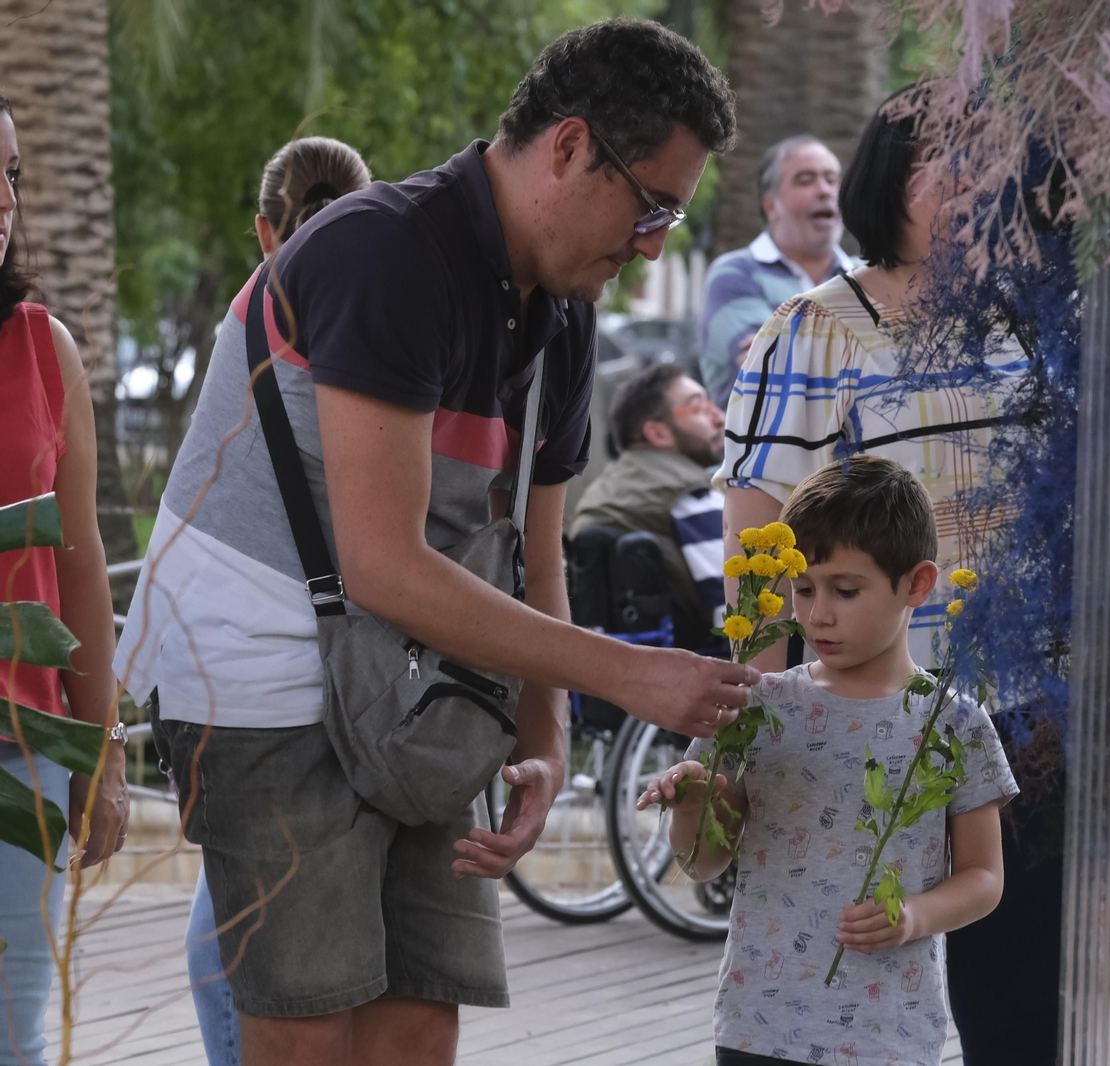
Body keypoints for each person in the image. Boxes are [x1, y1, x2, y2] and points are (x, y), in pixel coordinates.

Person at [111, 21, 756, 1065]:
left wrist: (546, 739)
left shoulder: (566, 308)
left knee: (420, 1018)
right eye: (652, 208)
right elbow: (385, 563)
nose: (653, 245)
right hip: (259, 667)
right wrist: (631, 675)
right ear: (569, 146)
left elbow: (536, 559)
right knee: (311, 1023)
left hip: (410, 673)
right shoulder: (386, 251)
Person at [716, 87, 1058, 1063]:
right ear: (881, 179)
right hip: (878, 725)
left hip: (1036, 719)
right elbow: (758, 557)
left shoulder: (1035, 322)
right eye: (938, 160)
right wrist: (750, 735)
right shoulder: (813, 330)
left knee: (1027, 1011)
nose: (968, 182)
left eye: (989, 160)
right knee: (863, 998)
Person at [637, 455, 1018, 1066]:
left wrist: (915, 915)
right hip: (758, 1024)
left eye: (845, 590)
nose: (817, 614)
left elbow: (984, 879)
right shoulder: (755, 708)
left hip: (887, 1033)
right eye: (803, 588)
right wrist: (693, 804)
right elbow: (702, 863)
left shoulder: (956, 724)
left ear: (918, 585)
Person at [180, 134, 373, 1066]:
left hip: (258, 671)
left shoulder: (258, 308)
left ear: (266, 229)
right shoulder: (380, 313)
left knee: (237, 955)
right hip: (367, 661)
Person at [0, 90, 128, 1066]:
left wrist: (105, 757)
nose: (3, 197)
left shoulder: (46, 350)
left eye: (10, 175)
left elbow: (79, 566)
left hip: (23, 749)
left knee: (14, 1032)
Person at [698, 135, 855, 408]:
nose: (824, 191)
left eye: (832, 179)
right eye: (805, 180)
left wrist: (791, 346)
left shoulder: (869, 275)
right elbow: (770, 368)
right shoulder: (733, 275)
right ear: (771, 206)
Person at [571, 362, 727, 636]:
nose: (719, 417)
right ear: (658, 433)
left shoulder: (602, 493)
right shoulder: (690, 493)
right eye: (699, 406)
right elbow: (736, 611)